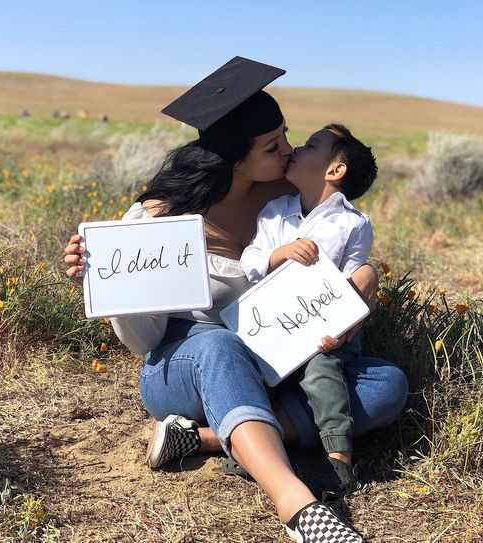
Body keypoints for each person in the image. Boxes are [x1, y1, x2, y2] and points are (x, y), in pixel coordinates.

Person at [63, 56, 407, 543]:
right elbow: (145, 341)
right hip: (183, 367)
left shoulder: (284, 197)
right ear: (233, 157)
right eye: (273, 145)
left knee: (386, 383)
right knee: (214, 341)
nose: (288, 151)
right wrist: (107, 285)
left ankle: (205, 438)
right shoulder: (157, 217)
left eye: (288, 136)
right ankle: (298, 505)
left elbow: (340, 230)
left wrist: (365, 273)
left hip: (276, 361)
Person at [240, 123, 377, 495]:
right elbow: (250, 258)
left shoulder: (352, 223)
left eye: (311, 145)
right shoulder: (275, 211)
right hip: (274, 326)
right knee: (255, 371)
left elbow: (354, 282)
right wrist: (279, 254)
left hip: (322, 333)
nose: (296, 148)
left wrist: (345, 318)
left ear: (334, 170)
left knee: (321, 369)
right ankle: (254, 444)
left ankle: (338, 457)